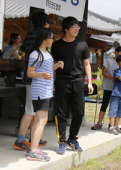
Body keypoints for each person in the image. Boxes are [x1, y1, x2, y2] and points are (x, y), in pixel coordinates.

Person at [52, 16, 94, 154]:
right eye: (73, 27)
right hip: (62, 81)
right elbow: (51, 65)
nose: (77, 29)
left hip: (78, 81)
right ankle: (62, 141)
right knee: (61, 113)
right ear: (66, 29)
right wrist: (52, 80)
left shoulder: (82, 45)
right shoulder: (57, 45)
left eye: (78, 27)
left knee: (79, 113)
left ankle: (72, 138)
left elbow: (86, 63)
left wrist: (89, 81)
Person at [13, 12, 50, 151]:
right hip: (37, 78)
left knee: (35, 110)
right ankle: (20, 139)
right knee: (30, 110)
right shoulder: (44, 36)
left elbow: (21, 52)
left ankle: (35, 137)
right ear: (46, 24)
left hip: (30, 76)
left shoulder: (29, 36)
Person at [26, 28, 64, 161]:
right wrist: (42, 75)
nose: (53, 40)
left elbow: (47, 70)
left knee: (38, 120)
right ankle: (33, 151)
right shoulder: (35, 54)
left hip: (46, 90)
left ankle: (33, 148)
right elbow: (30, 73)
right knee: (42, 120)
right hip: (40, 90)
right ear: (44, 39)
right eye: (51, 37)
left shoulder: (46, 53)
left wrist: (57, 65)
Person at [91, 46, 121, 130]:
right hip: (108, 87)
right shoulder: (109, 61)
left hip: (117, 89)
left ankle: (112, 124)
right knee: (104, 104)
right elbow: (104, 72)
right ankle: (99, 123)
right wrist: (112, 77)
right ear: (116, 53)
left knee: (114, 106)